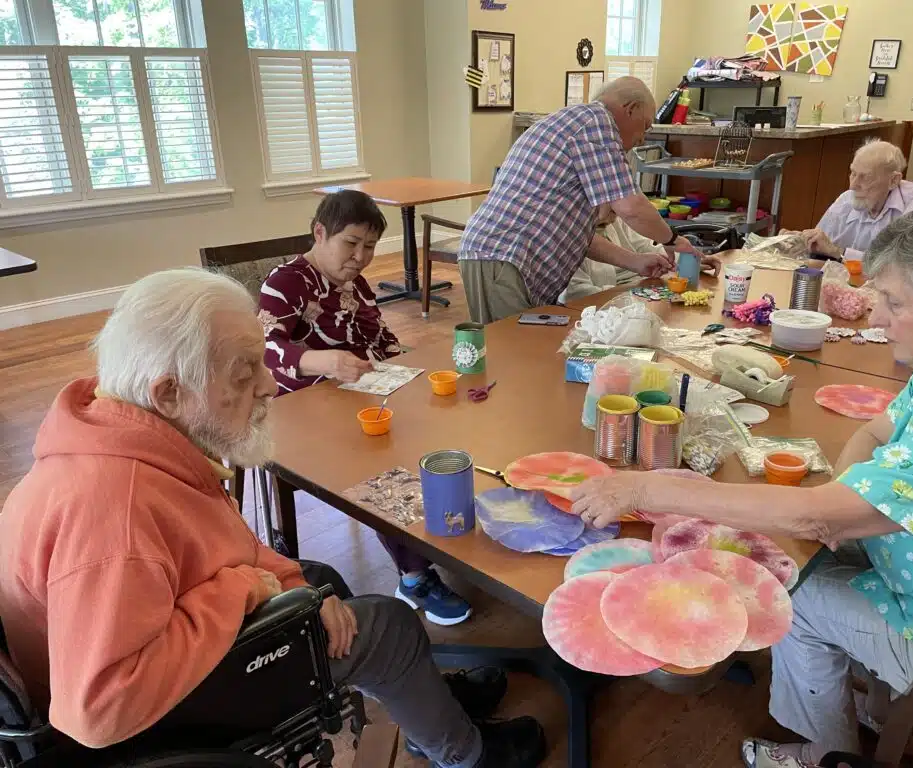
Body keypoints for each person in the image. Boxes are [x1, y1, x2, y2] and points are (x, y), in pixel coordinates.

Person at [0, 269, 546, 768]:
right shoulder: (112, 516)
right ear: (168, 393)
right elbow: (99, 713)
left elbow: (221, 543)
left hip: (157, 637)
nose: (266, 385)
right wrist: (247, 587)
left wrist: (282, 581)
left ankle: (426, 697)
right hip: (149, 719)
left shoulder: (131, 438)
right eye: (244, 373)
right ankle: (466, 753)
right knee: (388, 626)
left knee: (318, 580)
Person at [569, 193, 913, 767]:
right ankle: (852, 695)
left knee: (792, 588)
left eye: (893, 301)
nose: (877, 316)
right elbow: (877, 434)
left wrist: (643, 489)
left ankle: (825, 753)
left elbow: (813, 514)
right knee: (804, 545)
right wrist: (848, 509)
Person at [259, 191, 473, 627]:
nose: (360, 257)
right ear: (319, 233)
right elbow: (263, 347)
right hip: (299, 407)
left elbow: (381, 340)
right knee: (380, 465)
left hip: (357, 395)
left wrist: (407, 366)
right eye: (351, 244)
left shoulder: (354, 283)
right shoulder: (286, 281)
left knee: (434, 431)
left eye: (370, 247)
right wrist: (319, 360)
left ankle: (441, 535)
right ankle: (414, 577)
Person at [459, 76, 718, 324]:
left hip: (504, 258)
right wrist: (673, 241)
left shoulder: (581, 124)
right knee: (511, 354)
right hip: (502, 256)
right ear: (630, 109)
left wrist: (634, 261)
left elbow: (575, 234)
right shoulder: (596, 124)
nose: (642, 138)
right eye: (646, 126)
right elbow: (631, 207)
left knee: (524, 352)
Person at [796, 139, 913, 266]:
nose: (853, 186)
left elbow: (901, 266)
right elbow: (819, 247)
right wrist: (797, 241)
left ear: (893, 181)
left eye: (866, 177)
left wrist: (839, 252)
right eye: (853, 173)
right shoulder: (846, 200)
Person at [558, 204, 671, 303]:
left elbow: (646, 246)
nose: (613, 217)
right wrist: (632, 292)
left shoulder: (616, 219)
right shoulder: (568, 235)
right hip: (607, 304)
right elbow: (576, 294)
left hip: (642, 292)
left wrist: (669, 258)